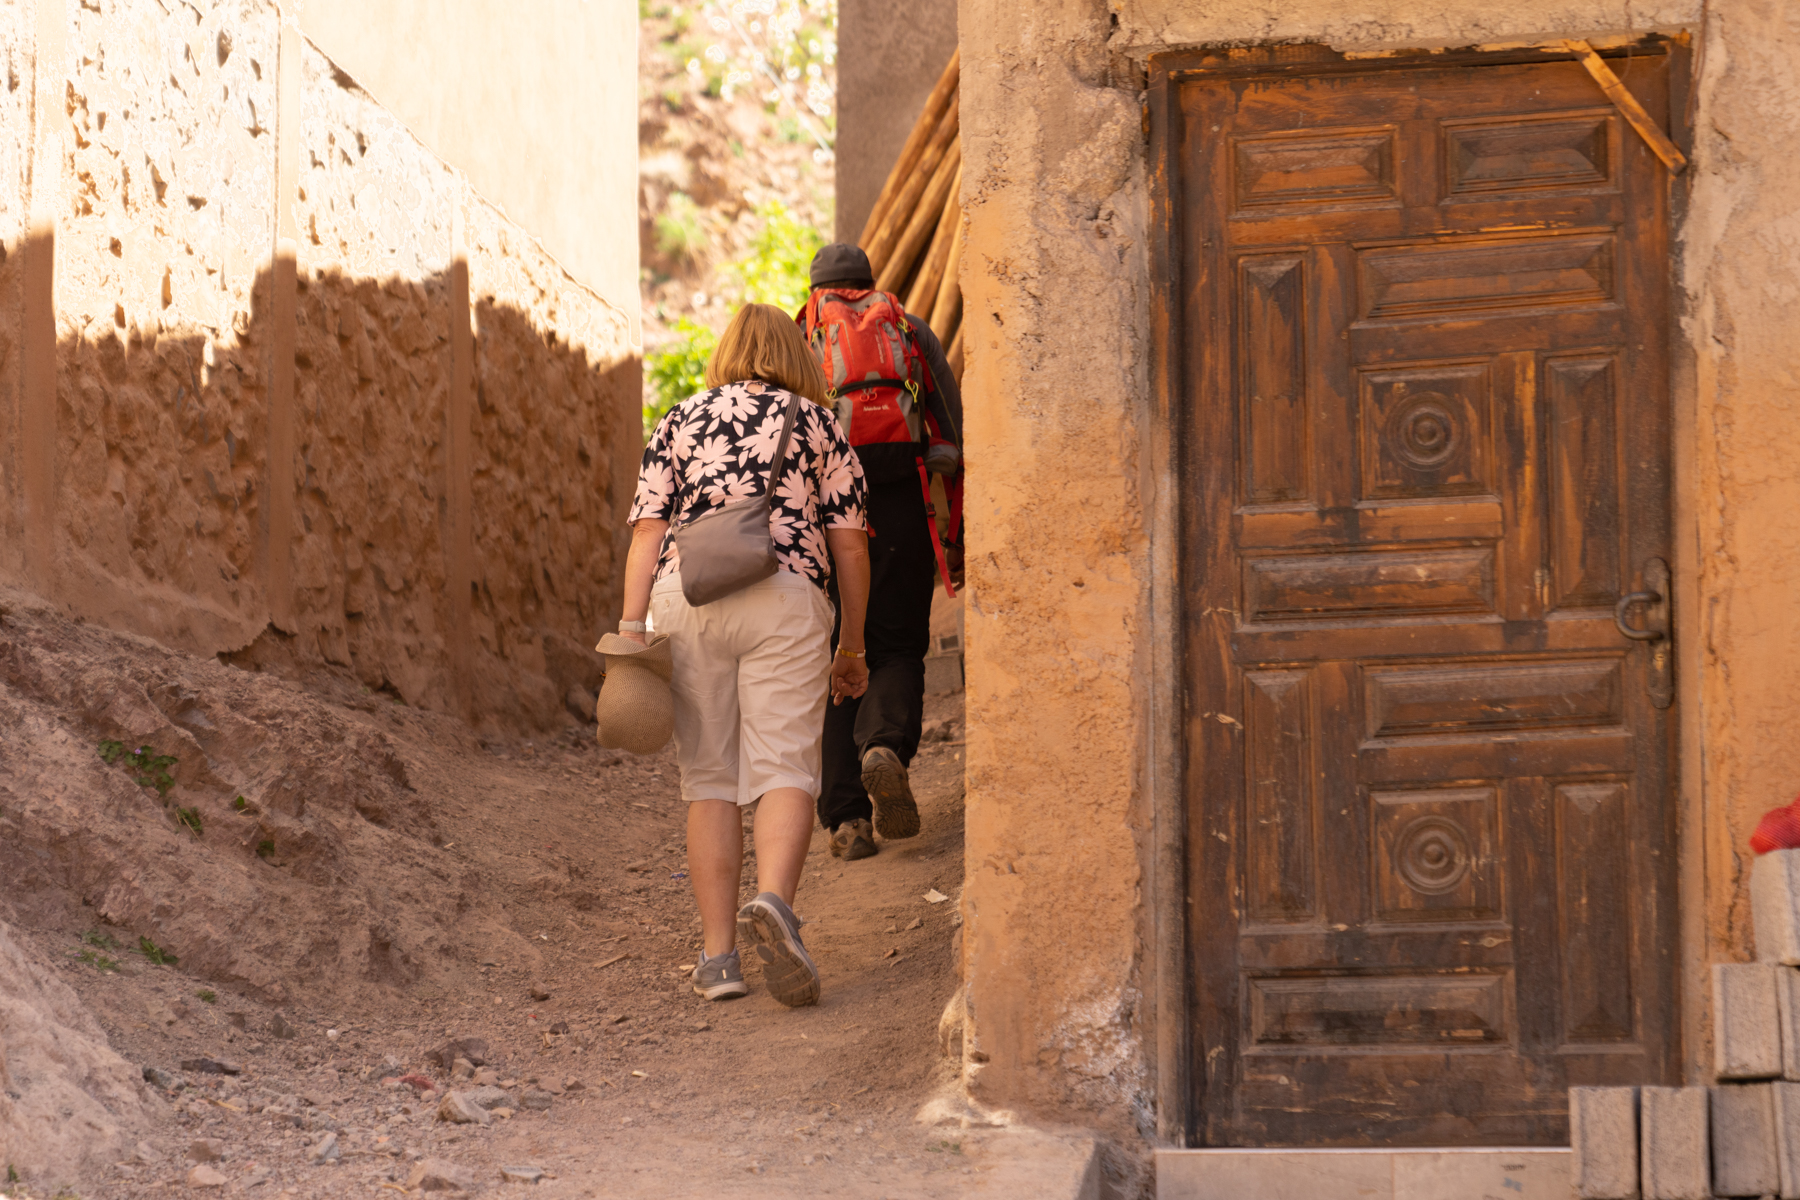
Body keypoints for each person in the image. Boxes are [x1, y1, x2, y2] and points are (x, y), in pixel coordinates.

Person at [617, 302, 871, 1007]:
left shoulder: (678, 419)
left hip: (687, 594)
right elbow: (850, 543)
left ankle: (719, 958)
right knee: (786, 764)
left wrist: (631, 629)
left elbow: (646, 533)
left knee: (709, 779)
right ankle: (776, 906)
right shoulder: (819, 422)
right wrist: (851, 642)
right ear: (795, 355)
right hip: (786, 593)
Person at [798, 244, 964, 862]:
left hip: (823, 516)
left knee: (837, 653)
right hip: (900, 510)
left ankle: (847, 820)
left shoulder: (802, 338)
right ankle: (883, 744)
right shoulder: (909, 332)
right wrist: (955, 529)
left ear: (816, 290)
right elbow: (950, 433)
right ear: (870, 284)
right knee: (896, 646)